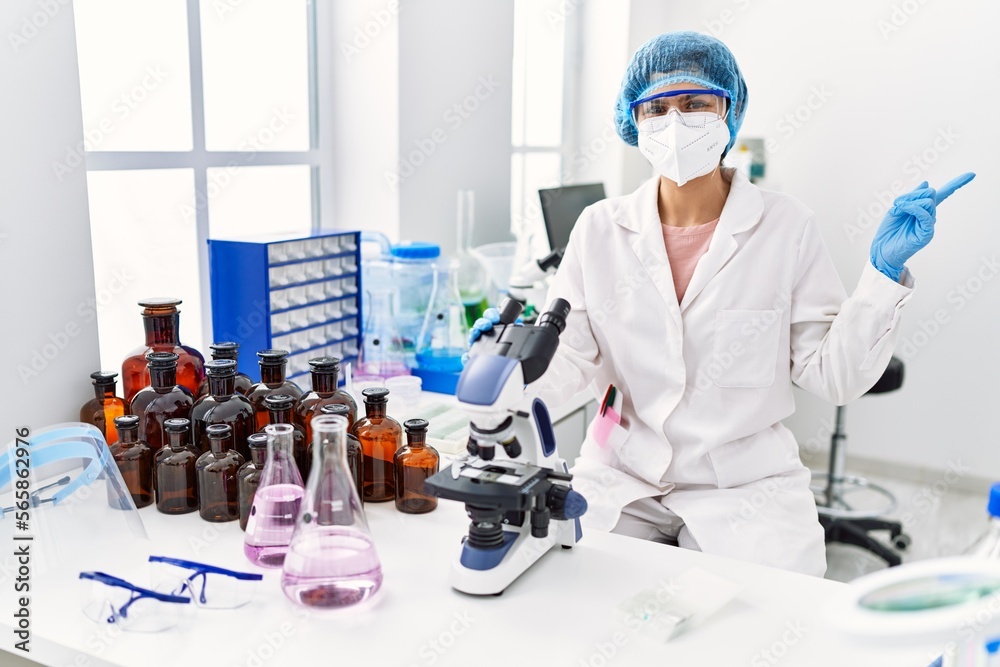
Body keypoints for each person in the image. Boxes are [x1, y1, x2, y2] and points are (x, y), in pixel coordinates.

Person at [471, 31, 974, 576]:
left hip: (743, 487)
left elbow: (835, 377)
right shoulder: (599, 229)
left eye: (694, 104)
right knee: (563, 591)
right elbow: (569, 359)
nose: (675, 122)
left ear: (727, 111)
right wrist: (508, 370)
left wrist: (881, 277)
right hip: (621, 474)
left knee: (770, 625)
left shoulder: (787, 227)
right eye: (657, 107)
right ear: (634, 122)